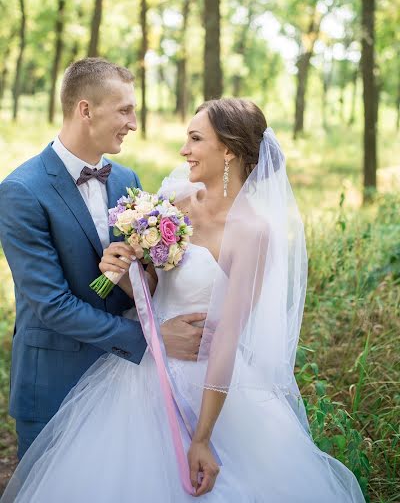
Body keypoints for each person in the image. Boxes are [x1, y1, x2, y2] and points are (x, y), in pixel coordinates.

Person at [0, 98, 366, 502]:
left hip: (202, 377)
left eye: (195, 139)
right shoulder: (173, 203)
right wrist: (123, 275)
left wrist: (203, 437)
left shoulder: (252, 233)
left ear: (228, 149)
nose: (183, 151)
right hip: (138, 373)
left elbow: (227, 338)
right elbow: (154, 290)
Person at [0, 58, 205, 461]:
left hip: (125, 385)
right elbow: (51, 306)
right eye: (124, 109)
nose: (133, 122)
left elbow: (144, 282)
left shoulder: (126, 179)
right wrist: (154, 339)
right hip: (57, 381)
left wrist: (141, 276)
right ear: (86, 110)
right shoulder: (21, 191)